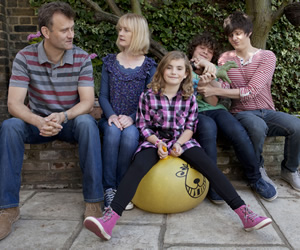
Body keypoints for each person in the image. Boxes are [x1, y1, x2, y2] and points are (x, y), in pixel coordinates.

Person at [84, 51, 272, 241]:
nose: (174, 72)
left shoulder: (188, 98)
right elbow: (143, 126)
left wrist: (179, 145)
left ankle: (245, 213)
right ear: (162, 71)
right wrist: (157, 143)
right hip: (154, 142)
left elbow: (190, 127)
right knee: (137, 167)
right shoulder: (148, 96)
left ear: (185, 74)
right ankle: (109, 220)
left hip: (182, 141)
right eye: (170, 67)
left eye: (179, 69)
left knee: (210, 167)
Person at [0, 1, 103, 241]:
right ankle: (8, 209)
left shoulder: (81, 58)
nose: (71, 35)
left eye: (72, 28)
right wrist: (38, 121)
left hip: (69, 121)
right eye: (65, 30)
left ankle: (94, 202)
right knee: (9, 126)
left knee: (88, 123)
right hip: (38, 123)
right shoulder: (25, 57)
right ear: (46, 32)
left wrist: (64, 115)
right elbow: (14, 104)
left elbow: (87, 102)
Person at [198, 11, 300, 192]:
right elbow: (221, 86)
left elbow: (252, 91)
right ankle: (258, 169)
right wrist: (209, 75)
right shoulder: (225, 59)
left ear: (249, 32)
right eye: (230, 35)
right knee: (256, 126)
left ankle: (289, 170)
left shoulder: (267, 56)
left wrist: (215, 90)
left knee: (296, 125)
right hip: (241, 113)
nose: (234, 38)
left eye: (238, 33)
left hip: (267, 111)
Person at [188, 33, 277, 204]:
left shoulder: (215, 70)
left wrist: (207, 83)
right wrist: (196, 83)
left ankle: (255, 178)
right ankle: (214, 185)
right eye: (202, 49)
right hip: (192, 112)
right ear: (193, 49)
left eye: (210, 51)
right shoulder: (181, 66)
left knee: (236, 130)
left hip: (214, 110)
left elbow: (213, 102)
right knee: (208, 128)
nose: (205, 53)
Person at [98, 13, 156, 211]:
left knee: (130, 136)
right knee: (113, 132)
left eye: (126, 30)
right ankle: (109, 188)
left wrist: (132, 118)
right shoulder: (110, 62)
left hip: (136, 120)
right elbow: (103, 96)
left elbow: (150, 100)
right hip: (111, 118)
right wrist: (112, 115)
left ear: (138, 34)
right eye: (120, 29)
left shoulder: (149, 66)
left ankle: (124, 187)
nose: (120, 33)